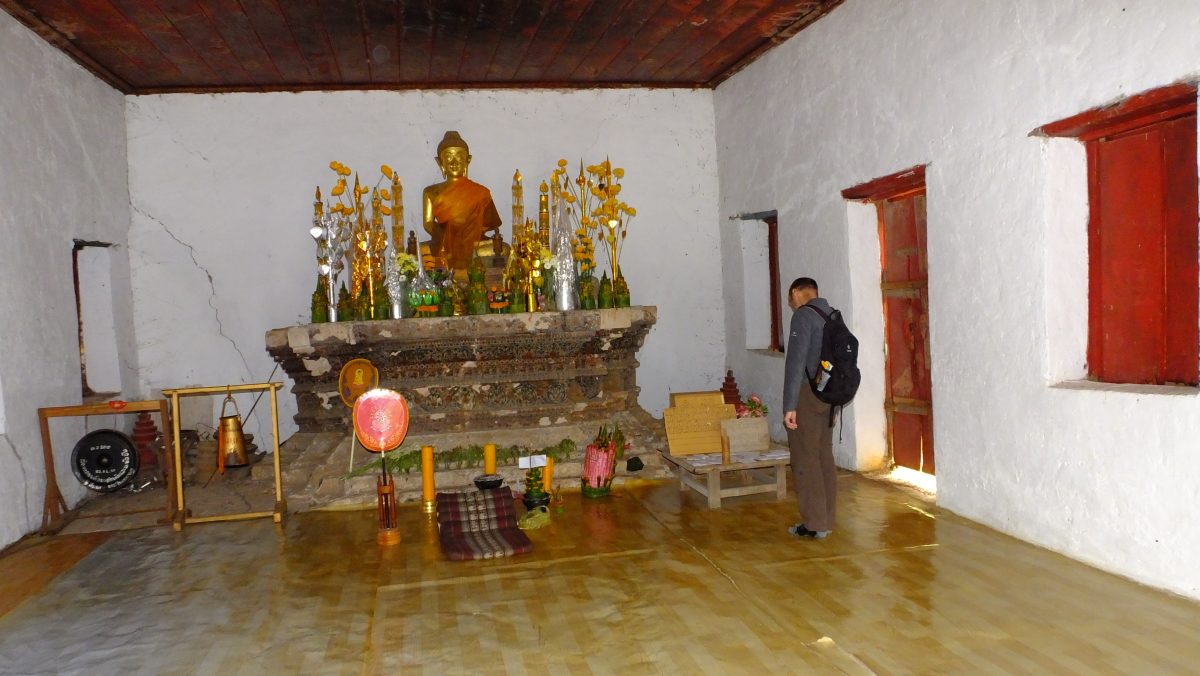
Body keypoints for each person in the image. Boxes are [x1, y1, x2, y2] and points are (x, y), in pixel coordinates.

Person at [782, 277, 836, 539]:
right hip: (829, 393)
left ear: (795, 293)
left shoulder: (803, 316)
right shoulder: (832, 314)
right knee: (824, 453)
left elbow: (795, 363)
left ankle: (814, 523)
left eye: (790, 299)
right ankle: (827, 518)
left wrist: (789, 405)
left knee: (805, 456)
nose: (791, 304)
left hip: (808, 394)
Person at [422, 131, 503, 271]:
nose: (453, 162)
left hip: (474, 243)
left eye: (459, 156)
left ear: (468, 160)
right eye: (448, 157)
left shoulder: (481, 192)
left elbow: (490, 224)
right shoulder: (430, 192)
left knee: (504, 249)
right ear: (440, 162)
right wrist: (449, 236)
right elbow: (428, 223)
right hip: (444, 242)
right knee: (414, 252)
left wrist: (468, 233)